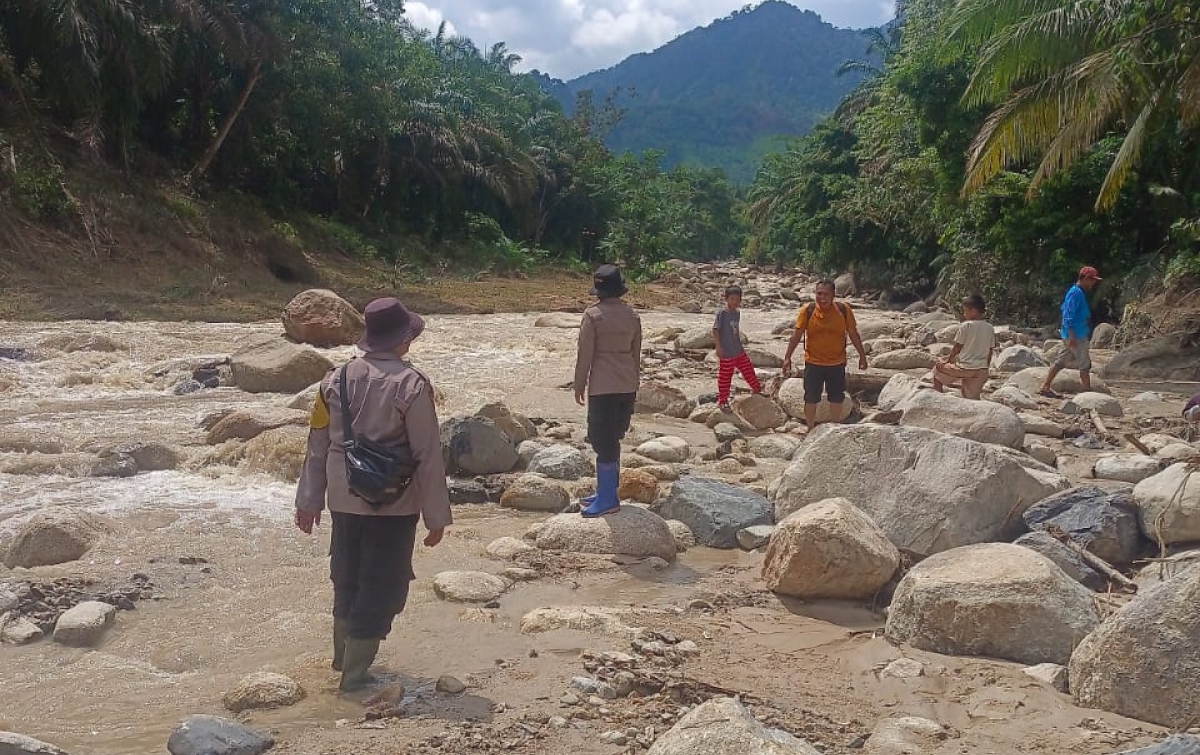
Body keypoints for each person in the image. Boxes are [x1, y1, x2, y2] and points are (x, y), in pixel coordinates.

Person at [295, 297, 452, 693]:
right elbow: (427, 454)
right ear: (404, 341)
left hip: (344, 499)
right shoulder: (412, 385)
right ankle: (355, 674)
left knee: (346, 576)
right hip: (395, 504)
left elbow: (317, 446)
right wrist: (437, 515)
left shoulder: (333, 379)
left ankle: (341, 657)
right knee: (383, 583)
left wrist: (309, 500)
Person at [574, 264, 642, 518]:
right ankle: (607, 490)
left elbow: (585, 355)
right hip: (627, 385)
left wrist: (579, 384)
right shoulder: (632, 316)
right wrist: (634, 384)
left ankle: (607, 498)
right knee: (613, 437)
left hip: (603, 387)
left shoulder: (593, 316)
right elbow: (636, 355)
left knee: (601, 439)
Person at [781, 279, 869, 431]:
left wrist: (862, 355)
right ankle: (810, 429)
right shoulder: (808, 311)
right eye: (819, 293)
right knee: (810, 397)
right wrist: (787, 357)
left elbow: (853, 334)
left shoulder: (843, 310)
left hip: (837, 363)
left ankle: (834, 429)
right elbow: (796, 335)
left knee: (836, 396)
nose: (821, 297)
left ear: (833, 295)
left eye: (825, 294)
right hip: (813, 362)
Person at [1040, 266, 1102, 398]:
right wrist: (1072, 336)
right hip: (1076, 334)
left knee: (1060, 361)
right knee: (1084, 363)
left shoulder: (1077, 292)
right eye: (1092, 280)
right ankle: (1087, 391)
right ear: (1085, 278)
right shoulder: (1076, 293)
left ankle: (1045, 386)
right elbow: (1068, 315)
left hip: (1072, 333)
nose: (1093, 283)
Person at [931, 294, 995, 400]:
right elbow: (990, 351)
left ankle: (938, 400)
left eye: (965, 311)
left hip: (964, 368)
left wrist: (947, 361)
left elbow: (957, 347)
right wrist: (986, 367)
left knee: (937, 371)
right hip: (980, 371)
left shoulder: (966, 326)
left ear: (973, 311)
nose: (964, 314)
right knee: (972, 398)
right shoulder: (990, 328)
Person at [713, 285, 762, 410]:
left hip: (737, 350)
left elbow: (736, 331)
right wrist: (718, 347)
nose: (734, 302)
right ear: (726, 299)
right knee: (725, 377)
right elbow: (715, 330)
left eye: (737, 299)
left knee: (748, 369)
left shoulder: (737, 313)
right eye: (732, 299)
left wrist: (740, 345)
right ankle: (723, 400)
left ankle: (756, 389)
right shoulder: (722, 314)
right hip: (726, 352)